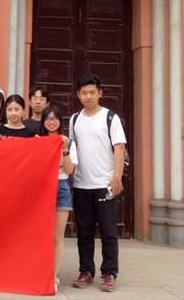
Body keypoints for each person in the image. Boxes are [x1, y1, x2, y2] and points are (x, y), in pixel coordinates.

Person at [70, 75, 126, 293]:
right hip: (81, 184)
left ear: (100, 93)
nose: (88, 96)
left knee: (108, 231)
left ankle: (109, 273)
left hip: (105, 184)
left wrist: (117, 178)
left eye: (92, 92)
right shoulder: (75, 119)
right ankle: (86, 271)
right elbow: (72, 149)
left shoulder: (110, 117)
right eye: (84, 93)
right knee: (84, 232)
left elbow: (119, 148)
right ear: (78, 95)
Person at [39, 105, 77, 291]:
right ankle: (40, 272)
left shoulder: (67, 142)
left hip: (61, 187)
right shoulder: (38, 141)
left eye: (55, 118)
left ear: (60, 121)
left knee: (57, 236)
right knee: (40, 235)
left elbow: (69, 171)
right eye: (48, 118)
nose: (51, 121)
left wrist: (65, 149)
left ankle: (53, 276)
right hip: (41, 189)